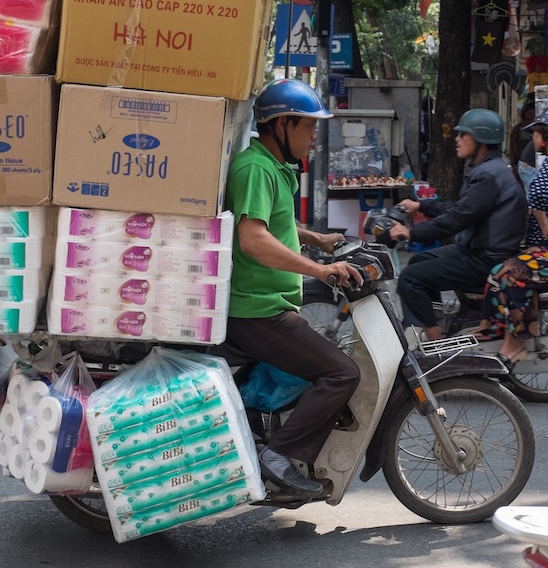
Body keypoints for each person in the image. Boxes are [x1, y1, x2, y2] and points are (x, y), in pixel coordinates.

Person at [224, 78, 363, 499]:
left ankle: (270, 442)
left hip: (270, 305)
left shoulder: (274, 168)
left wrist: (315, 239)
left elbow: (274, 226)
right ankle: (278, 457)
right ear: (281, 125)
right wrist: (318, 271)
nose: (315, 136)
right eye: (308, 126)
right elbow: (252, 238)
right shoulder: (254, 169)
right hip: (257, 311)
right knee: (341, 373)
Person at [389, 108, 528, 343]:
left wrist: (410, 233)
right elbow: (461, 209)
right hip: (477, 249)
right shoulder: (490, 170)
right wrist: (421, 206)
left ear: (480, 139)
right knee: (418, 261)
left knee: (410, 278)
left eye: (463, 135)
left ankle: (434, 344)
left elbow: (456, 220)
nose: (457, 139)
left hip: (485, 258)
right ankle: (436, 320)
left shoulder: (487, 176)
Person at [481, 105, 548, 367]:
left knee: (507, 274)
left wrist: (542, 224)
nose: (533, 140)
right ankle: (491, 333)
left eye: (535, 135)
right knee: (501, 272)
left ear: (544, 137)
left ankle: (514, 344)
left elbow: (538, 196)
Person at [509, 99, 536, 185]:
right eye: (529, 114)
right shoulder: (518, 128)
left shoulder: (537, 128)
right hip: (519, 160)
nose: (531, 116)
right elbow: (511, 146)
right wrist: (513, 164)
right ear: (524, 114)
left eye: (533, 114)